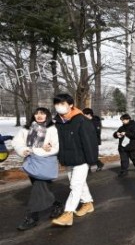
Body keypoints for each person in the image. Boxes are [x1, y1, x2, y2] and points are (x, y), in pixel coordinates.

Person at [51, 93, 99, 227]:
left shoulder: (81, 120)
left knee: (75, 185)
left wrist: (93, 162)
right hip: (68, 159)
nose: (59, 107)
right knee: (79, 183)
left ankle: (68, 213)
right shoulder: (58, 122)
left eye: (62, 104)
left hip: (82, 160)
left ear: (70, 105)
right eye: (57, 104)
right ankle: (88, 203)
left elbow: (90, 143)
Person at [12, 108, 62, 230]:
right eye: (37, 113)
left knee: (37, 190)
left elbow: (56, 146)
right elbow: (17, 142)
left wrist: (47, 148)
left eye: (42, 113)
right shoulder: (27, 128)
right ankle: (57, 205)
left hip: (45, 163)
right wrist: (23, 150)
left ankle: (32, 218)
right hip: (31, 162)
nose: (39, 116)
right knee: (42, 190)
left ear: (47, 115)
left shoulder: (52, 128)